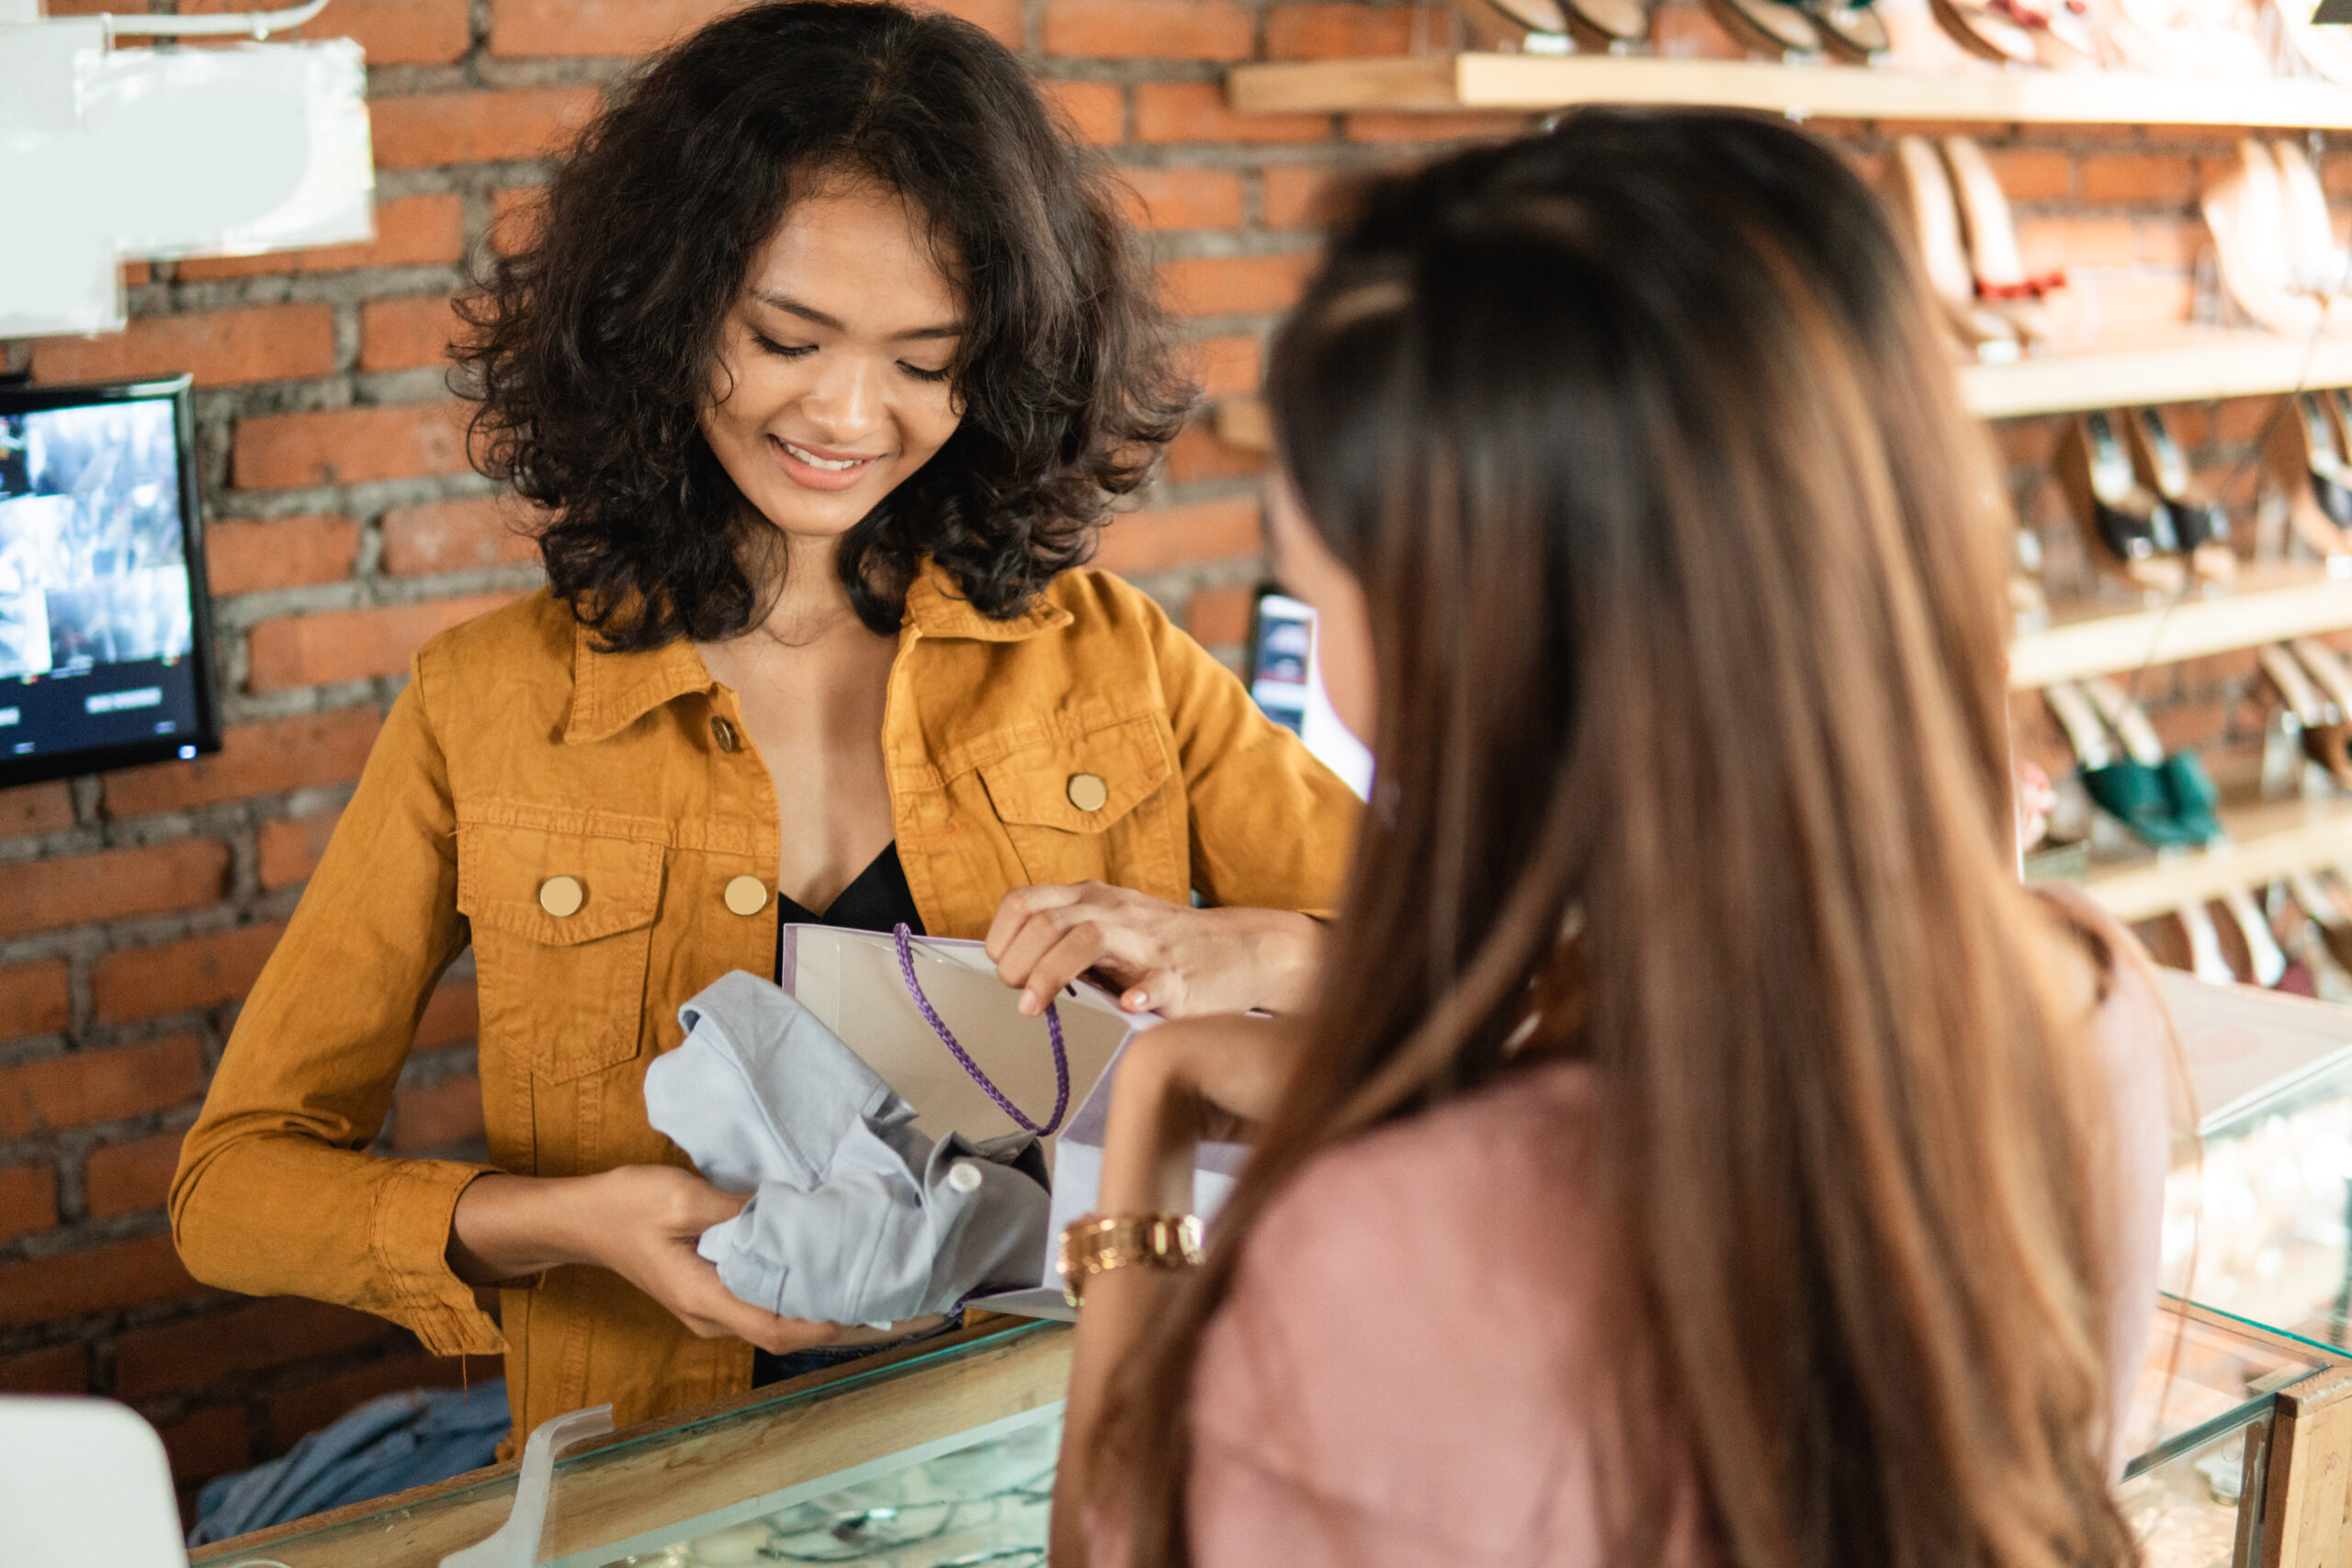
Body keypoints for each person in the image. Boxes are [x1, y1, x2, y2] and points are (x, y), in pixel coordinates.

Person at [169, 1, 1356, 1455]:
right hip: (662, 1492)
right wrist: (568, 1226)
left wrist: (1255, 950)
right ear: (665, 312)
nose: (848, 414)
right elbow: (233, 1189)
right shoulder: (488, 707)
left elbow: (1522, 976)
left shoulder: (1112, 663)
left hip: (1067, 1454)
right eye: (788, 339)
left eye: (926, 362)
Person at [1055, 112, 2170, 1568]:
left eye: (1319, 592)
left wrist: (1145, 1143)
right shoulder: (2081, 1002)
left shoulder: (1388, 1247)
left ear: (1475, 641)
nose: (1321, 661)